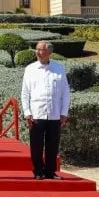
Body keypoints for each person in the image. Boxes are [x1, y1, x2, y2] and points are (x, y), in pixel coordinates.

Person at [21, 41, 70, 180]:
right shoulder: (30, 69)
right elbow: (25, 93)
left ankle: (50, 171)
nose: (38, 52)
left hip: (54, 113)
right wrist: (27, 112)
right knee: (36, 145)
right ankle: (38, 171)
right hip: (36, 113)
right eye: (36, 49)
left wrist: (64, 112)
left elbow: (65, 92)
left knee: (52, 145)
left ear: (49, 52)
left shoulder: (59, 68)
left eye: (41, 50)